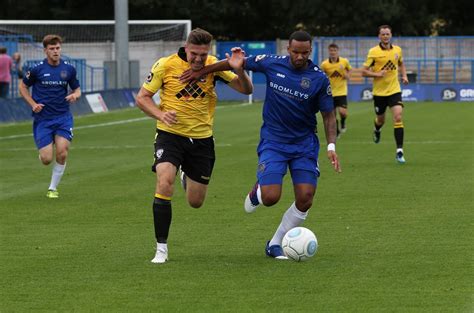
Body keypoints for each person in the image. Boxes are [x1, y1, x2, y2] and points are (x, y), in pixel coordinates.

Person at [180, 30, 341, 260]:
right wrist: (202, 72)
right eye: (295, 52)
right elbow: (236, 62)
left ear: (310, 51)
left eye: (304, 53)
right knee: (271, 197)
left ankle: (275, 243)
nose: (299, 56)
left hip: (304, 144)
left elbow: (328, 116)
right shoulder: (271, 63)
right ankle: (259, 189)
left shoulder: (319, 79)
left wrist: (331, 146)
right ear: (288, 49)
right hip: (274, 142)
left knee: (305, 197)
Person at [135, 28, 253, 264]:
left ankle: (186, 176)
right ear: (186, 48)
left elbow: (246, 90)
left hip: (202, 140)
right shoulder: (165, 65)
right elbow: (142, 98)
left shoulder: (214, 66)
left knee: (195, 202)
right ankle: (161, 249)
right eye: (194, 54)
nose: (198, 59)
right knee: (164, 181)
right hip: (170, 136)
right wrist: (160, 115)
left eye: (203, 54)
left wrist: (239, 69)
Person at [19, 34, 81, 198]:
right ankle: (44, 150)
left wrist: (75, 95)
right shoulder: (37, 69)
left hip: (63, 117)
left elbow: (77, 89)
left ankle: (52, 188)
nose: (55, 51)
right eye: (52, 49)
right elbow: (23, 87)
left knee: (62, 152)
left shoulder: (69, 69)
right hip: (43, 119)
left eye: (58, 48)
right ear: (45, 50)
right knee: (47, 159)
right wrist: (33, 104)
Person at [362, 25, 409, 163]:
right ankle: (377, 129)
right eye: (383, 34)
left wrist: (404, 76)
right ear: (379, 36)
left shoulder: (397, 50)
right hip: (379, 93)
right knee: (380, 120)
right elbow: (364, 71)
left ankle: (399, 151)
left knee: (398, 117)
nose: (385, 36)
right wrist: (377, 74)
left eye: (387, 34)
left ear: (391, 35)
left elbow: (401, 64)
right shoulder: (373, 52)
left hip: (394, 90)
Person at [321, 43, 352, 137]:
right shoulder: (324, 64)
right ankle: (337, 131)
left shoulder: (344, 62)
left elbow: (348, 76)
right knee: (333, 115)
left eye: (335, 50)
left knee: (343, 112)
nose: (333, 52)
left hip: (341, 91)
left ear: (337, 51)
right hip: (330, 92)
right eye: (331, 50)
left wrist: (343, 71)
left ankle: (343, 122)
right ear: (329, 52)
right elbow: (322, 76)